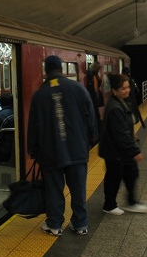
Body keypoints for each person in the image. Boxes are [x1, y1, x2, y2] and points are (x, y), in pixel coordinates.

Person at [27, 55, 98, 236]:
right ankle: (80, 224)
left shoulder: (39, 95)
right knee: (78, 189)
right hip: (77, 150)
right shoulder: (79, 89)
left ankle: (55, 224)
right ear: (61, 69)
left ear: (46, 71)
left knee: (54, 190)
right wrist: (91, 140)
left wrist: (33, 150)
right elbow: (92, 118)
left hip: (50, 153)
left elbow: (33, 127)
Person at [99, 73, 147, 215]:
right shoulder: (115, 107)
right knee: (114, 177)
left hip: (119, 150)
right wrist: (135, 151)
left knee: (131, 173)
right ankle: (109, 205)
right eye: (123, 88)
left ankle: (131, 202)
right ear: (115, 91)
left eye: (128, 87)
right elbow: (120, 135)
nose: (127, 90)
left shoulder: (120, 102)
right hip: (114, 151)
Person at [86, 61, 104, 138]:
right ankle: (97, 134)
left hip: (94, 98)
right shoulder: (92, 75)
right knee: (96, 116)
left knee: (96, 115)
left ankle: (97, 133)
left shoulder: (94, 74)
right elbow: (96, 88)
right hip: (93, 98)